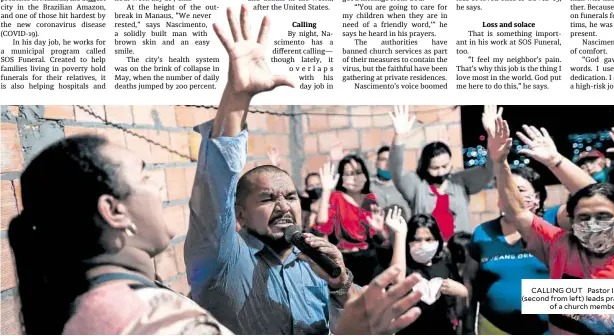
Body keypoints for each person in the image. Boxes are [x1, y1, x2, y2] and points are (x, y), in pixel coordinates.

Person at [184, 6, 428, 334]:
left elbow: (363, 324)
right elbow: (215, 184)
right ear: (239, 215)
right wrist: (237, 99)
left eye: (289, 196)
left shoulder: (313, 265)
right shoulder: (224, 258)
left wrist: (340, 283)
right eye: (268, 198)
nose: (284, 206)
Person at [8, 134, 234, 335]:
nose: (159, 187)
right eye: (144, 177)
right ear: (115, 211)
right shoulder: (162, 321)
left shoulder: (72, 315)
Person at [488, 117, 614, 335]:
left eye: (603, 216)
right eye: (584, 218)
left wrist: (556, 160)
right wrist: (500, 162)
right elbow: (517, 211)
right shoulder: (559, 246)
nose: (594, 224)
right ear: (572, 223)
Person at [388, 105, 499, 241]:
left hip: (461, 250)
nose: (441, 172)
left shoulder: (460, 181)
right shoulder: (417, 187)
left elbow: (489, 170)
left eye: (445, 166)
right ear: (425, 167)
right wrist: (399, 137)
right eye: (435, 168)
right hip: (429, 250)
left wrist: (492, 134)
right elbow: (396, 170)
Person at [464, 167, 550, 335]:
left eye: (520, 190)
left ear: (536, 197)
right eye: (505, 189)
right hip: (495, 329)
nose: (511, 195)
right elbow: (470, 284)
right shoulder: (483, 232)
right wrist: (468, 329)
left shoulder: (551, 229)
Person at [370, 208, 468, 335]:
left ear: (438, 241)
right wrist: (400, 233)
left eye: (428, 239)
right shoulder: (404, 265)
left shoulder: (446, 265)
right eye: (417, 240)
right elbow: (397, 279)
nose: (423, 245)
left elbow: (462, 302)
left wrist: (461, 290)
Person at [315, 156, 387, 286]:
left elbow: (382, 239)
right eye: (349, 173)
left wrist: (380, 230)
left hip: (370, 259)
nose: (355, 177)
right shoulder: (336, 197)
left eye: (359, 172)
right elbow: (322, 222)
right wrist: (326, 191)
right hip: (346, 261)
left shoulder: (369, 198)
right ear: (341, 177)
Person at [370, 146, 412, 221]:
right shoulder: (368, 186)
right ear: (376, 163)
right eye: (383, 160)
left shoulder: (407, 185)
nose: (387, 163)